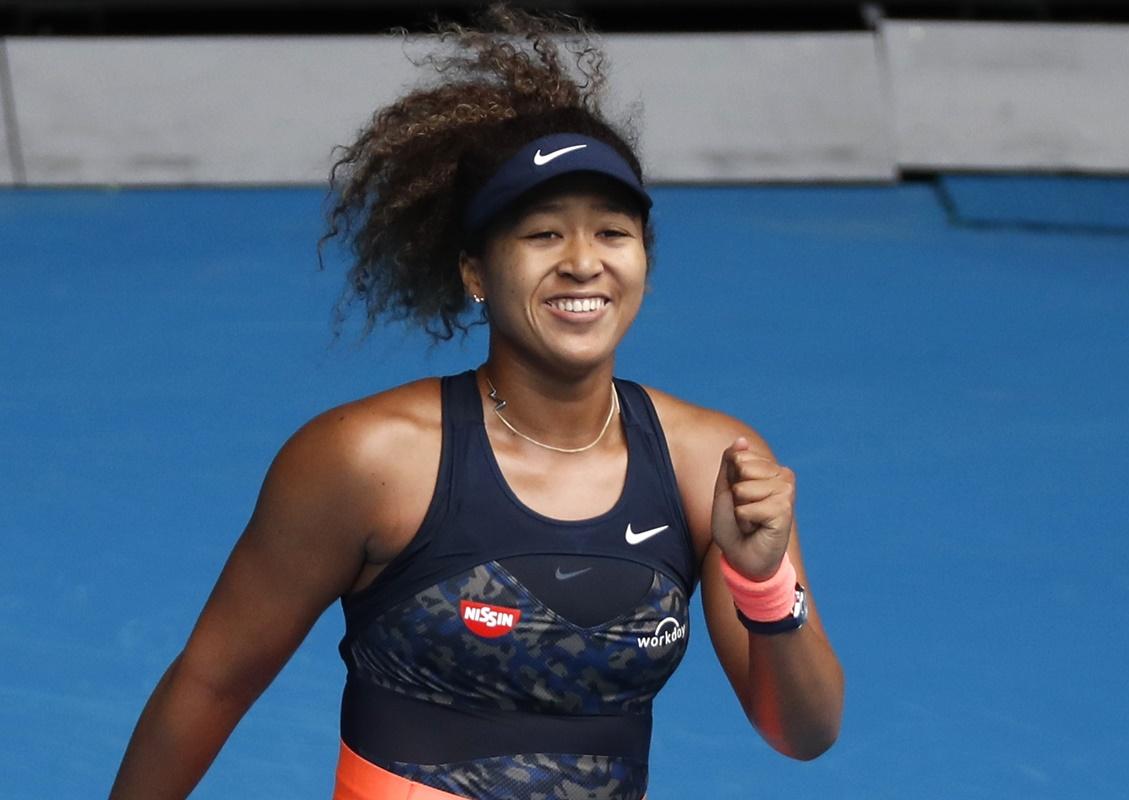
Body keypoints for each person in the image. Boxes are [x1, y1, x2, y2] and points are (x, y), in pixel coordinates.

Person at [110, 7, 843, 799]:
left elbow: (801, 733)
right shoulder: (369, 460)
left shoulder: (711, 462)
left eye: (612, 233)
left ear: (644, 263)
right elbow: (210, 685)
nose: (582, 264)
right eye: (541, 236)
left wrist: (765, 584)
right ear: (473, 273)